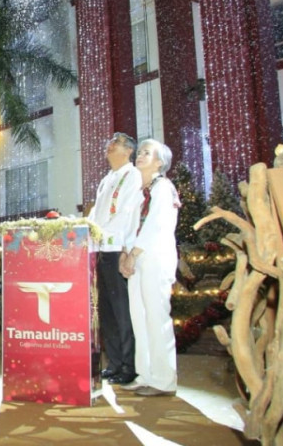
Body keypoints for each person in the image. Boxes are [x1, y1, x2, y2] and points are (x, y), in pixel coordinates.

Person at [120, 139, 180, 397]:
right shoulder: (137, 192)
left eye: (147, 153)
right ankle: (145, 374)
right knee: (139, 318)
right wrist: (125, 255)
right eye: (140, 152)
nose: (140, 155)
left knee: (156, 317)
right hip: (136, 259)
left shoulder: (163, 187)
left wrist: (133, 253)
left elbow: (156, 224)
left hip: (154, 257)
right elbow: (129, 227)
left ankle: (164, 380)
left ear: (159, 162)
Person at [87, 132, 143, 385]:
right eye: (108, 143)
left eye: (115, 144)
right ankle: (115, 363)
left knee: (122, 311)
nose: (109, 147)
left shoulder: (132, 176)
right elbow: (97, 215)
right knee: (106, 311)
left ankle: (129, 366)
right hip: (99, 249)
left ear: (129, 151)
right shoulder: (107, 179)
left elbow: (126, 216)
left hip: (116, 248)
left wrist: (115, 245)